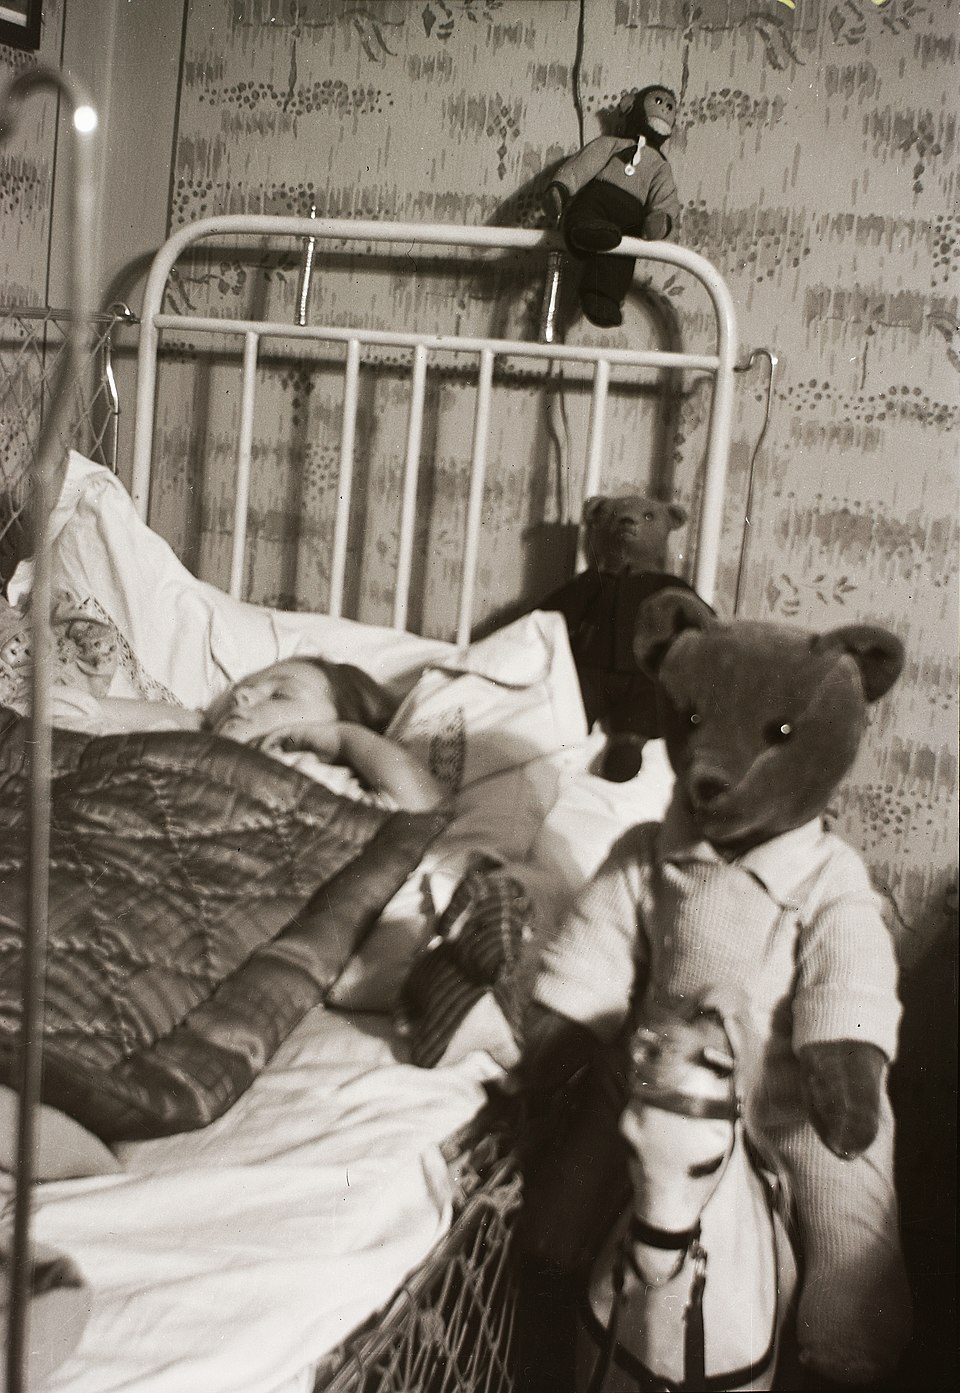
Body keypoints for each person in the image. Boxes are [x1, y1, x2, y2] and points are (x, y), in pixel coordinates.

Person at [203, 656, 447, 812]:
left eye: (279, 695)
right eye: (242, 688)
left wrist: (342, 738)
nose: (241, 695)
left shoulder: (321, 774)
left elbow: (424, 804)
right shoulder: (201, 742)